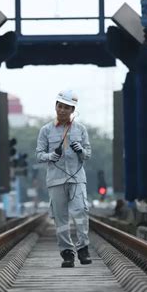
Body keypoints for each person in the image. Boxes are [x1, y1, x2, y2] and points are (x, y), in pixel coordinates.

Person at [36, 89, 92, 268]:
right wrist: (51, 156)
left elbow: (88, 154)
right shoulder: (45, 130)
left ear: (72, 110)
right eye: (60, 106)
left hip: (77, 179)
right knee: (60, 219)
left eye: (66, 108)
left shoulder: (81, 129)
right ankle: (67, 253)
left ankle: (83, 248)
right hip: (56, 180)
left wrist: (80, 151)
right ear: (55, 106)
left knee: (81, 213)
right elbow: (39, 155)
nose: (62, 110)